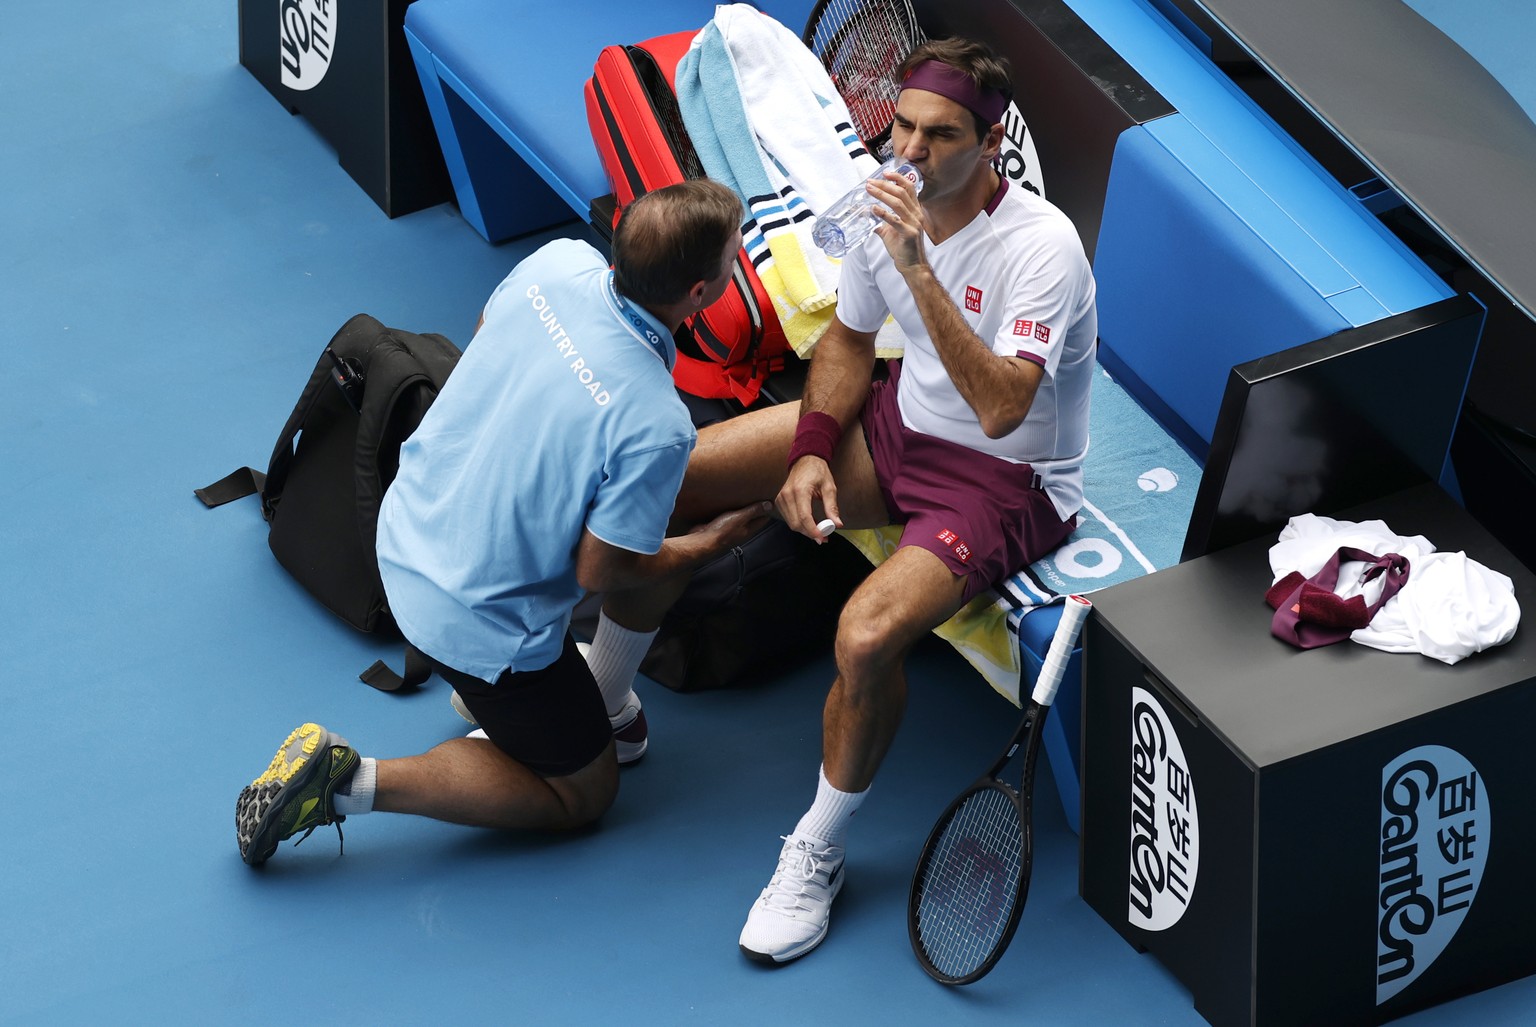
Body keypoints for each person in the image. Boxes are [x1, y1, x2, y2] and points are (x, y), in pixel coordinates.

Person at [590, 38, 1098, 963]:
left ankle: (817, 848)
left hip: (1007, 482)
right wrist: (816, 449)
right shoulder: (880, 205)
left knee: (865, 635)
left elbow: (999, 408)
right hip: (899, 430)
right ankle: (608, 698)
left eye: (940, 136)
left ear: (991, 147)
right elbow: (849, 344)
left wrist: (915, 262)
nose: (908, 152)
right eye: (900, 126)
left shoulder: (1043, 249)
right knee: (668, 473)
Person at [234, 180, 773, 866]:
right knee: (586, 793)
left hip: (399, 536)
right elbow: (601, 572)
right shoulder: (656, 424)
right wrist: (707, 543)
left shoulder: (556, 263)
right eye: (734, 257)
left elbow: (485, 349)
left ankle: (532, 702)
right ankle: (344, 780)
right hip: (474, 625)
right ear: (701, 292)